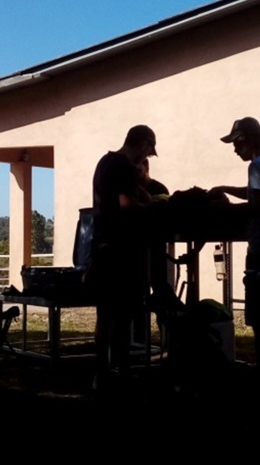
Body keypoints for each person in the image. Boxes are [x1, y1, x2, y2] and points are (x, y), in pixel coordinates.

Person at [212, 117, 260, 374]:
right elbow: (257, 192)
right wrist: (226, 188)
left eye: (237, 143)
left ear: (248, 140)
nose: (235, 149)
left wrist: (227, 209)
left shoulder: (256, 166)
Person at [90, 124, 157, 388]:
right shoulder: (125, 167)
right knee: (123, 317)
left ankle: (102, 372)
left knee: (105, 316)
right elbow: (127, 206)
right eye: (148, 152)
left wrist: (140, 191)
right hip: (123, 250)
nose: (146, 158)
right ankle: (124, 372)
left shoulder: (104, 162)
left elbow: (113, 197)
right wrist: (151, 208)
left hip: (102, 246)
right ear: (143, 145)